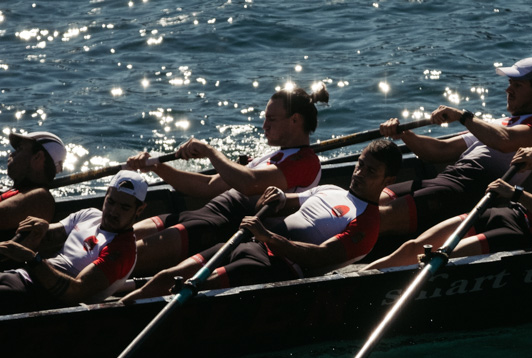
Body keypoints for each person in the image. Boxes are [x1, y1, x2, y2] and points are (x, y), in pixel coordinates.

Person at [365, 99, 532, 270]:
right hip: (510, 213)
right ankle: (365, 275)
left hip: (531, 236)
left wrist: (518, 194)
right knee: (415, 248)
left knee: (440, 259)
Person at [121, 140, 401, 302]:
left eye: (371, 170)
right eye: (360, 163)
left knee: (189, 289)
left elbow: (320, 257)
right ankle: (118, 309)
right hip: (249, 241)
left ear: (389, 180)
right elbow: (286, 201)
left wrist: (269, 238)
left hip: (273, 267)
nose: (360, 172)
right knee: (168, 277)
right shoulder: (332, 190)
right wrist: (278, 195)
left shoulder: (367, 223)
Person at [127, 85, 329, 275]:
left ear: (295, 120)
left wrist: (210, 152)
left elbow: (249, 184)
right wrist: (158, 168)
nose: (264, 125)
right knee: (121, 238)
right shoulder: (266, 158)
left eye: (271, 119)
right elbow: (207, 186)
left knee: (124, 257)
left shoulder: (305, 162)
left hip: (218, 228)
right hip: (200, 215)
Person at [377, 57, 532, 237]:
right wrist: (404, 134)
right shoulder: (495, 125)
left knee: (377, 218)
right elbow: (439, 150)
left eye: (517, 85)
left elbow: (504, 141)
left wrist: (462, 116)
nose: (508, 89)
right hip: (445, 179)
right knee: (371, 201)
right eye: (510, 84)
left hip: (467, 190)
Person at [0, 170, 147, 313]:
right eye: (111, 201)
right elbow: (48, 233)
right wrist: (41, 228)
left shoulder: (122, 250)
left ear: (139, 210)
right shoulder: (89, 215)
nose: (113, 211)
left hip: (39, 298)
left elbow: (75, 292)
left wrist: (33, 259)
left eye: (124, 207)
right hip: (20, 276)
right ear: (106, 195)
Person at [1, 131, 66, 240]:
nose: (12, 154)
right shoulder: (18, 192)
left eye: (20, 149)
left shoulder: (41, 198)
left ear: (37, 158)